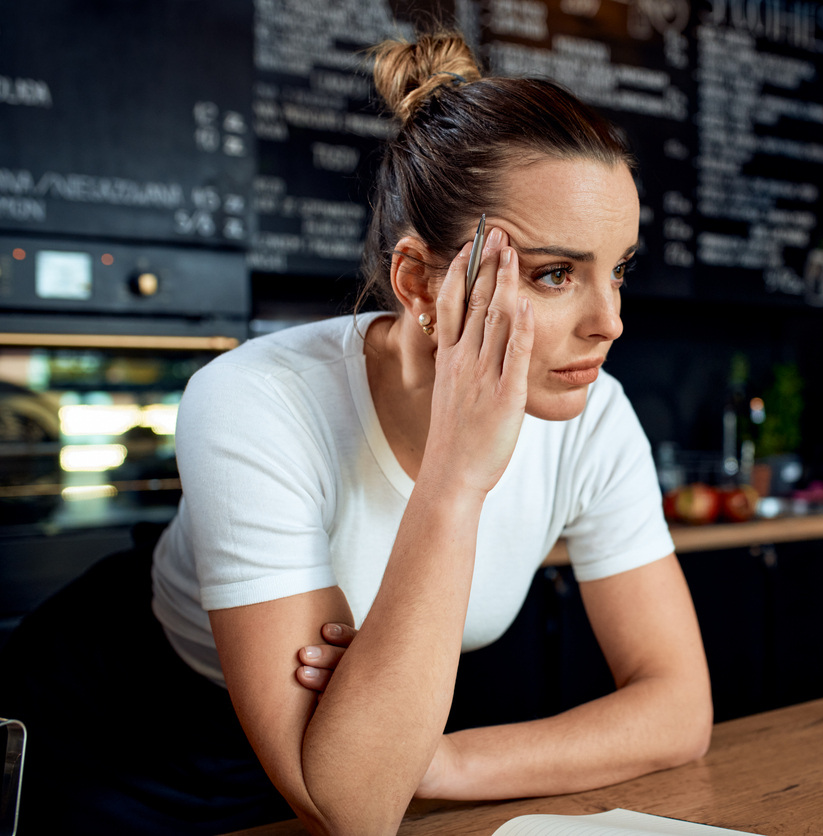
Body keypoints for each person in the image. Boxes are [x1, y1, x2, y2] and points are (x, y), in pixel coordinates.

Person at [0, 29, 711, 836]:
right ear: (416, 281)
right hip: (124, 741)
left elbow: (679, 709)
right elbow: (353, 804)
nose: (610, 322)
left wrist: (430, 760)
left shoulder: (593, 415)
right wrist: (455, 478)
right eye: (555, 274)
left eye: (617, 268)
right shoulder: (254, 401)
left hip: (367, 750)